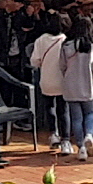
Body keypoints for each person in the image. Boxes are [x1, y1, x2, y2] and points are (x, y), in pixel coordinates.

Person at [59, 20, 93, 159]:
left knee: (76, 117)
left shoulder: (66, 46)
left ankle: (81, 148)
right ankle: (89, 135)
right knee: (90, 113)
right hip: (87, 85)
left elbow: (61, 66)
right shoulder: (90, 47)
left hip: (71, 86)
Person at [28, 14, 70, 147]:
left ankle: (53, 134)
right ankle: (66, 140)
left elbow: (34, 61)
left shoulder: (41, 40)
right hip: (63, 81)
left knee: (50, 107)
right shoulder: (66, 40)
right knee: (63, 109)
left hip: (46, 80)